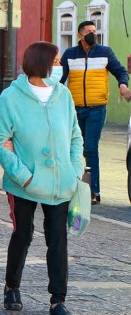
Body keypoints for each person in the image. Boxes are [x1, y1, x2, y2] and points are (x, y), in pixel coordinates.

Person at [0, 42, 84, 315]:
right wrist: (24, 176)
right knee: (23, 234)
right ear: (39, 63)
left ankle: (58, 298)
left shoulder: (63, 95)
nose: (59, 67)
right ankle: (12, 287)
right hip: (25, 185)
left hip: (60, 183)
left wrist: (74, 169)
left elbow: (75, 136)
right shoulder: (11, 98)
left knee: (58, 238)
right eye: (55, 62)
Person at [60, 20, 131, 205]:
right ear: (79, 36)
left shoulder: (104, 53)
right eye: (88, 31)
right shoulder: (69, 55)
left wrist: (123, 85)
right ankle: (73, 186)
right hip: (74, 109)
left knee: (90, 148)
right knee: (73, 149)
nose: (93, 33)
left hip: (96, 109)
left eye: (94, 30)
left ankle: (93, 191)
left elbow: (120, 71)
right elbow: (60, 79)